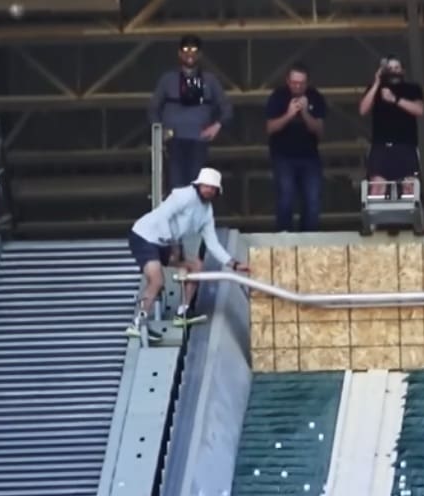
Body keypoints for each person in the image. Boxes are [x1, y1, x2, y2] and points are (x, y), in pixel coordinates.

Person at [127, 167, 249, 338]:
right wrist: (173, 244)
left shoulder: (206, 212)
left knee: (196, 266)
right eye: (206, 186)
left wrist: (233, 264)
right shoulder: (183, 195)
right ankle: (138, 324)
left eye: (213, 188)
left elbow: (212, 243)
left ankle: (182, 312)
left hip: (166, 242)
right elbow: (163, 215)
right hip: (144, 237)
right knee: (157, 280)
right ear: (198, 185)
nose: (209, 190)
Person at [152, 35, 231, 196]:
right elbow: (153, 108)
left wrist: (216, 126)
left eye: (194, 50)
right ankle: (176, 221)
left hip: (199, 140)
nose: (190, 54)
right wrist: (161, 133)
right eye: (186, 50)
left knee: (197, 186)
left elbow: (227, 108)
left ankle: (194, 220)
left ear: (200, 54)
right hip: (173, 140)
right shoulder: (168, 79)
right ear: (179, 53)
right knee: (175, 186)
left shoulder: (210, 80)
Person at [263, 63, 328, 232]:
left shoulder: (315, 97)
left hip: (310, 157)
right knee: (286, 198)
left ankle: (309, 240)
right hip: (283, 157)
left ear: (307, 82)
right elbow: (270, 128)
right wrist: (289, 114)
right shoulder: (278, 96)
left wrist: (305, 113)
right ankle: (285, 239)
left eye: (301, 83)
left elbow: (320, 132)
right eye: (294, 82)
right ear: (287, 81)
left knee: (312, 200)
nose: (297, 86)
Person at [358, 58, 424, 200]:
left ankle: (409, 220)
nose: (394, 71)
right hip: (381, 146)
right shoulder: (375, 88)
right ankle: (377, 220)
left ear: (403, 71)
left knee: (409, 187)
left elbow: (420, 110)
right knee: (377, 187)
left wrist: (395, 99)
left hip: (405, 145)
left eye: (397, 67)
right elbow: (363, 110)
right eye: (390, 68)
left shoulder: (412, 89)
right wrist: (377, 83)